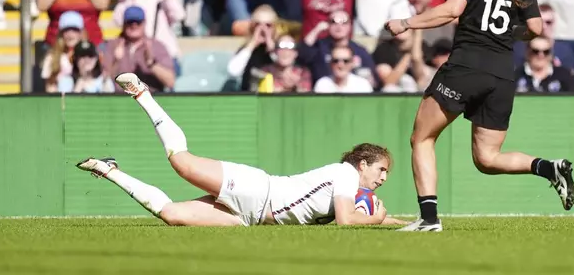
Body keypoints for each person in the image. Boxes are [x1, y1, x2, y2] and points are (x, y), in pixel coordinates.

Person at [384, 0, 574, 232]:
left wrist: (406, 23)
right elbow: (535, 27)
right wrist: (505, 34)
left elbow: (452, 10)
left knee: (422, 138)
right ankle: (548, 168)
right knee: (487, 158)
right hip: (502, 74)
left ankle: (429, 219)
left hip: (466, 66)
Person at [76, 72, 406, 227]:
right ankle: (143, 95)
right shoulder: (346, 174)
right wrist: (376, 221)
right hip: (256, 190)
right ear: (363, 164)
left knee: (172, 215)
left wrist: (409, 225)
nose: (384, 177)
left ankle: (109, 170)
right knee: (181, 162)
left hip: (250, 218)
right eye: (381, 169)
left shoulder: (351, 187)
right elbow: (348, 221)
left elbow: (373, 217)